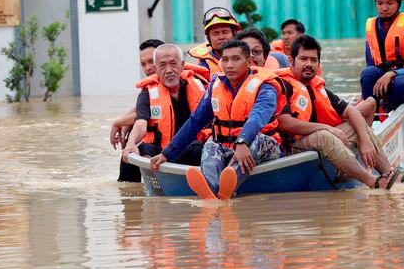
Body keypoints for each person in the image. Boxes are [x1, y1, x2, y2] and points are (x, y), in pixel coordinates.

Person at [277, 35, 404, 189]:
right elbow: (285, 123)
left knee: (356, 125)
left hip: (316, 137)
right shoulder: (283, 85)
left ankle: (391, 175)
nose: (309, 64)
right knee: (325, 135)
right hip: (291, 146)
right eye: (303, 59)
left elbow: (352, 112)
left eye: (313, 60)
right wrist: (327, 128)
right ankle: (372, 181)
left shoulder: (317, 87)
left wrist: (365, 141)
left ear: (319, 63)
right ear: (291, 61)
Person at [150, 39, 285, 200]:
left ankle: (227, 185)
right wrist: (167, 154)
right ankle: (213, 192)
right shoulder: (216, 85)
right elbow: (195, 121)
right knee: (211, 143)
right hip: (229, 148)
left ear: (249, 62)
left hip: (265, 149)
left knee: (258, 139)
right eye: (225, 59)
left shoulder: (266, 87)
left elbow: (257, 117)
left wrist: (243, 142)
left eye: (236, 59)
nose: (229, 65)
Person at [121, 44, 209, 167]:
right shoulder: (147, 94)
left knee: (200, 148)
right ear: (156, 70)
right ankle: (129, 185)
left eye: (173, 64)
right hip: (159, 153)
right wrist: (130, 143)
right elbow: (141, 123)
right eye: (162, 65)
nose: (168, 70)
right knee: (133, 153)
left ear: (182, 65)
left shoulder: (200, 88)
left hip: (190, 149)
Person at [111, 39, 165, 182]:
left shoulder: (179, 83)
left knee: (143, 147)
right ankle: (129, 199)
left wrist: (118, 122)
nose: (148, 68)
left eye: (151, 61)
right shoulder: (149, 89)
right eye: (143, 64)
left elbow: (146, 114)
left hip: (173, 147)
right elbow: (139, 112)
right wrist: (124, 128)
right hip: (154, 145)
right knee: (129, 154)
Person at [188, 7, 242, 77]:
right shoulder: (204, 67)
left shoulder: (249, 57)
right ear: (208, 38)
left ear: (234, 33)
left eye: (225, 32)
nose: (221, 37)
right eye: (215, 33)